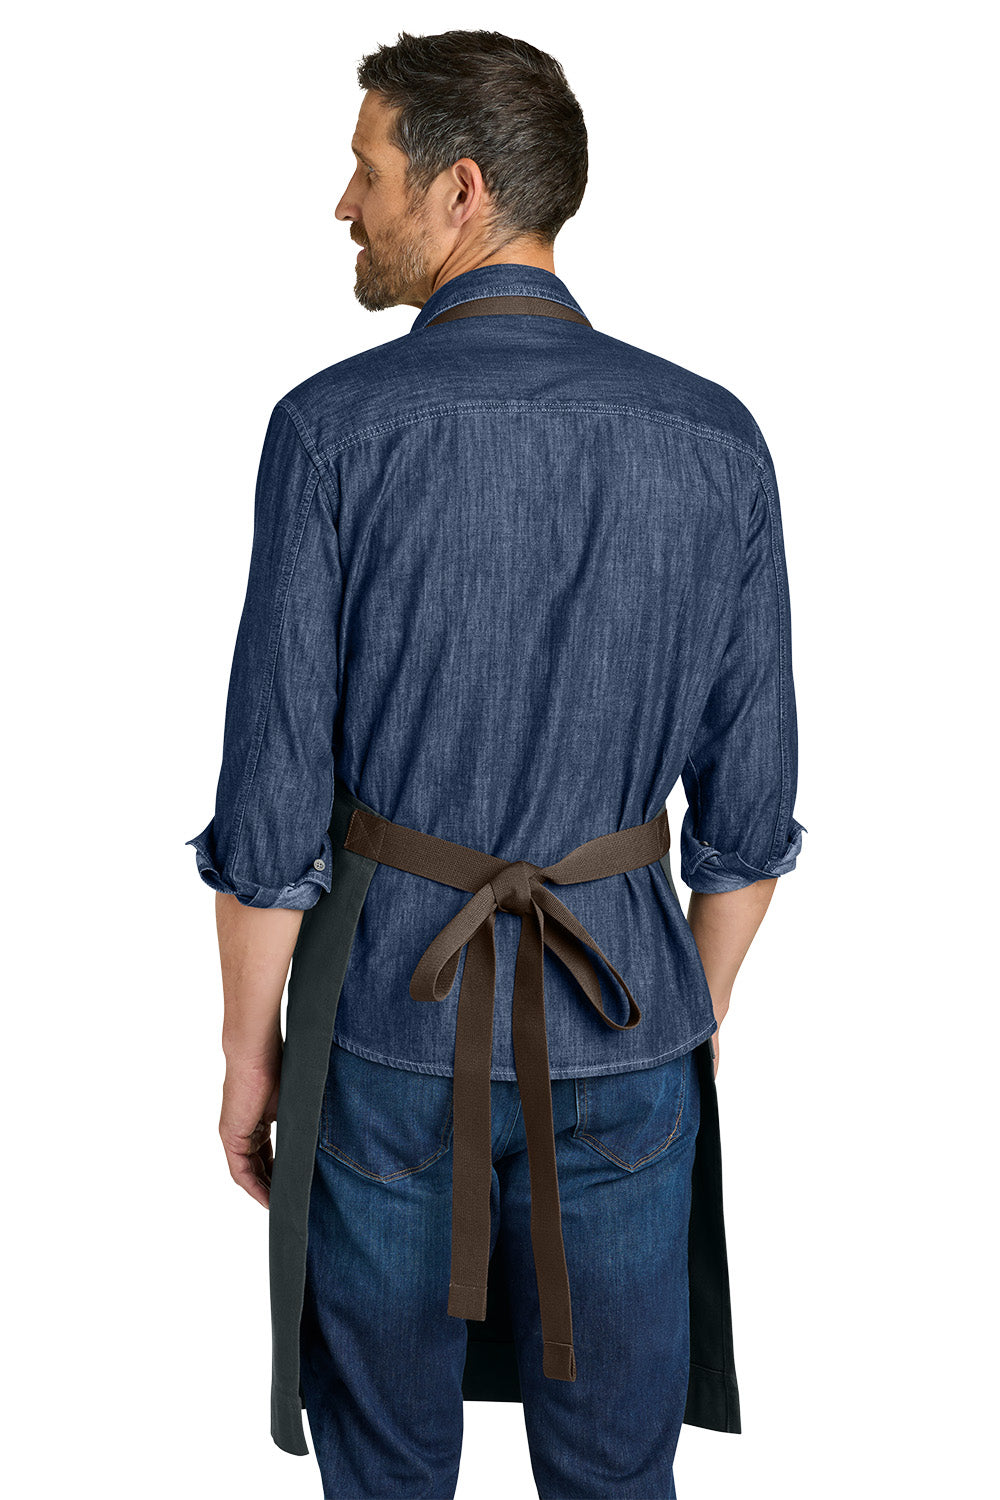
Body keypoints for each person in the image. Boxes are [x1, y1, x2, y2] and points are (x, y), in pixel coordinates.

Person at [186, 28, 805, 1500]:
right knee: (613, 1478)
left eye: (368, 165)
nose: (345, 203)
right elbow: (751, 815)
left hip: (386, 1033)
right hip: (630, 1021)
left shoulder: (331, 433)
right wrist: (680, 1014)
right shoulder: (717, 441)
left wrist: (247, 1055)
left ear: (461, 189)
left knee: (385, 1474)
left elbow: (273, 812)